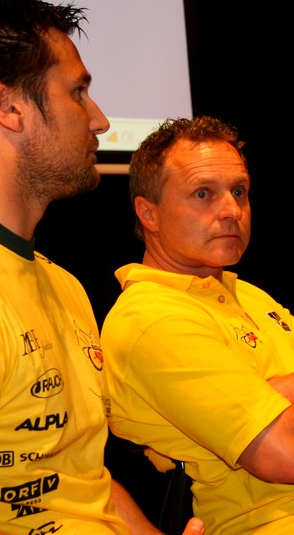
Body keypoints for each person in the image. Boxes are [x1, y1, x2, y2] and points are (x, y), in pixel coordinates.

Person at [0, 0, 205, 535]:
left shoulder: (61, 283)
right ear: (8, 108)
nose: (100, 120)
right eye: (78, 92)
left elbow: (81, 481)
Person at [101, 115, 294, 534]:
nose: (231, 211)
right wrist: (272, 394)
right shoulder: (150, 317)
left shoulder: (249, 296)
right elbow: (284, 454)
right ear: (148, 213)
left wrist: (270, 392)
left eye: (239, 191)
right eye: (203, 194)